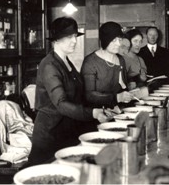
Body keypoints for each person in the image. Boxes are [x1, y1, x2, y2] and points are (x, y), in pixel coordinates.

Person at [28, 17, 110, 166]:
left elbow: (79, 95)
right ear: (56, 40)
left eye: (74, 36)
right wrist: (93, 113)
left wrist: (101, 108)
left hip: (67, 130)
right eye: (69, 37)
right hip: (50, 134)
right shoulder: (49, 65)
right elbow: (61, 103)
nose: (74, 41)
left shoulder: (65, 61)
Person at [81, 21, 133, 119]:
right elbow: (89, 95)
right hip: (96, 117)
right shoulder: (90, 62)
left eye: (120, 39)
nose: (118, 44)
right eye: (114, 40)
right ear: (105, 40)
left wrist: (127, 96)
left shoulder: (120, 60)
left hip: (116, 114)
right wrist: (117, 98)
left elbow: (123, 87)